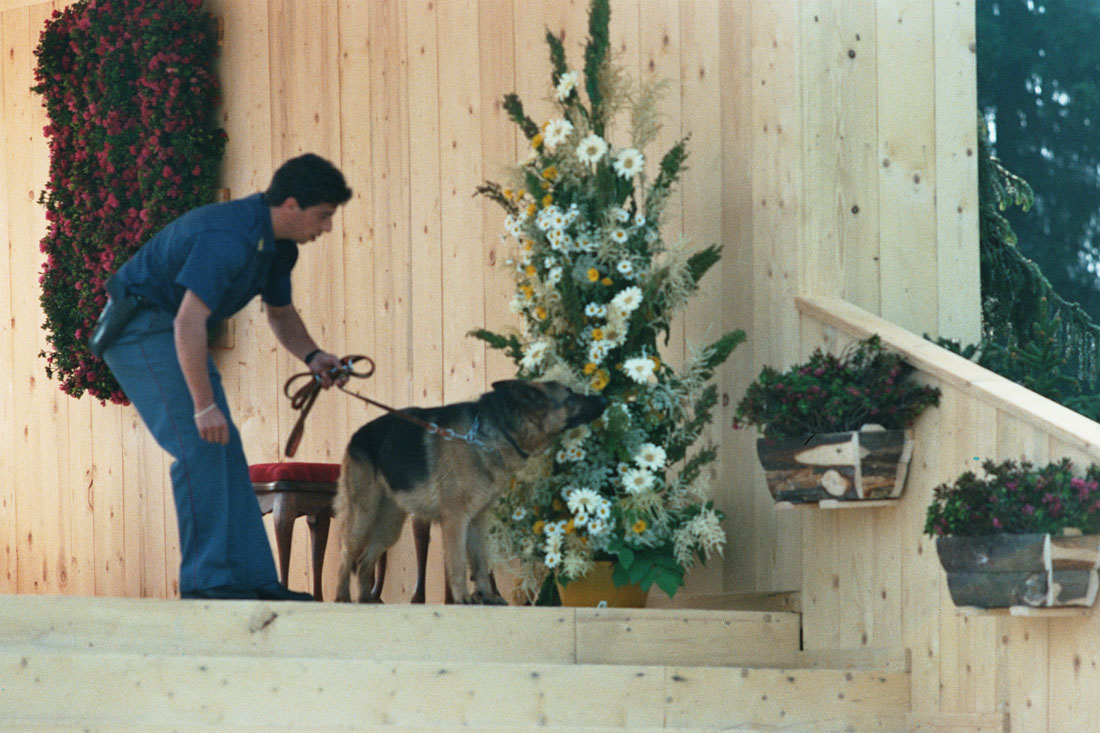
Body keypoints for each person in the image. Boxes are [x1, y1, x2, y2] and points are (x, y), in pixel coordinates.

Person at [97, 153, 353, 600]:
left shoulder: (278, 247)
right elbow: (188, 322)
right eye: (324, 216)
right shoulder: (229, 237)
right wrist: (203, 404)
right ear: (291, 205)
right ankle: (207, 582)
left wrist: (313, 356)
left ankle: (255, 582)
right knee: (199, 444)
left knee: (225, 449)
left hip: (170, 326)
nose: (327, 227)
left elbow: (281, 313)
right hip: (140, 328)